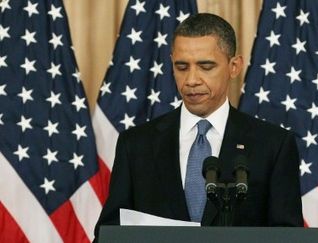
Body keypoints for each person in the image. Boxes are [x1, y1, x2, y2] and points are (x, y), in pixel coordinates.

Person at [94, 13, 303, 239]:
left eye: (206, 66)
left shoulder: (274, 145)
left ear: (234, 66)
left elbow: (287, 236)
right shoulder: (135, 144)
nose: (191, 80)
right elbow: (109, 234)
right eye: (182, 67)